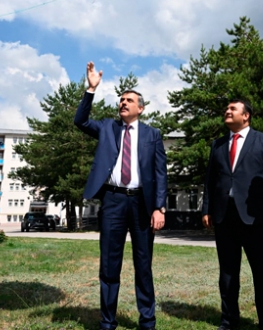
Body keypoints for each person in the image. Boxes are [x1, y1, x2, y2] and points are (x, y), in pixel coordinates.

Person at [74, 61, 167, 330]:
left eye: (129, 100)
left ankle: (147, 321)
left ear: (141, 107)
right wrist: (91, 90)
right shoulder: (107, 128)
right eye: (121, 100)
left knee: (143, 264)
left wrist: (159, 207)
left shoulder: (153, 134)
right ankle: (107, 322)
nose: (123, 103)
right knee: (109, 265)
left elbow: (161, 173)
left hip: (141, 203)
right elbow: (80, 121)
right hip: (112, 201)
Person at [202, 100, 263, 330]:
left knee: (262, 273)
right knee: (227, 274)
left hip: (255, 218)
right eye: (226, 109)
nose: (227, 112)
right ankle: (229, 321)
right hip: (224, 217)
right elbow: (211, 180)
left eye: (233, 109)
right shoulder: (218, 145)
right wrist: (207, 209)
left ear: (246, 116)